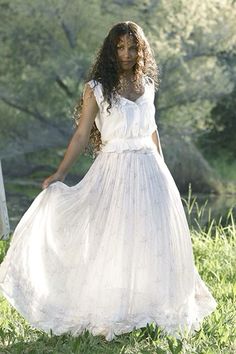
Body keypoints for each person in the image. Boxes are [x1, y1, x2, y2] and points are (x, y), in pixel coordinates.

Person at [0, 21, 217, 341]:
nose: (127, 54)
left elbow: (152, 129)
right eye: (120, 47)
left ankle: (149, 306)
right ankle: (111, 308)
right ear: (110, 50)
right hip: (114, 172)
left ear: (140, 50)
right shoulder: (97, 88)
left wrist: (163, 169)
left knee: (152, 239)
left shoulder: (148, 84)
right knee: (113, 238)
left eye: (132, 47)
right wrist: (60, 172)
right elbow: (80, 135)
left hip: (151, 171)